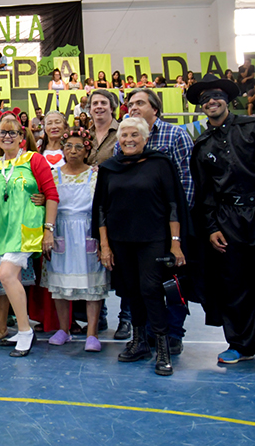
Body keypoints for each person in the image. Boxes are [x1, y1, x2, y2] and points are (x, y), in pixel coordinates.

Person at [94, 117, 188, 376]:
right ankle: (139, 343)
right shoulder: (109, 168)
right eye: (124, 135)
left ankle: (162, 348)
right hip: (120, 241)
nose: (129, 139)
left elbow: (173, 204)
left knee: (151, 289)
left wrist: (176, 244)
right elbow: (100, 208)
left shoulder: (160, 164)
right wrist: (104, 246)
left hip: (153, 240)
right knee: (131, 291)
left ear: (145, 138)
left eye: (135, 134)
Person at [0, 113, 59, 356]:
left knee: (6, 275)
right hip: (3, 232)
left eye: (12, 132)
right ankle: (22, 328)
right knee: (11, 278)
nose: (7, 136)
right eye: (2, 132)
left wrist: (48, 230)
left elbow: (51, 195)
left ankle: (25, 331)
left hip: (27, 229)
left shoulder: (34, 160)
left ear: (21, 137)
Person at [187, 73, 255, 364]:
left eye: (216, 96)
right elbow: (204, 192)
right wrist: (212, 226)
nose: (211, 102)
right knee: (233, 283)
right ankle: (240, 344)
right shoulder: (202, 145)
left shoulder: (250, 128)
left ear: (227, 100)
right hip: (228, 219)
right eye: (205, 99)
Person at [45, 127, 109, 352]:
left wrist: (103, 241)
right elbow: (46, 200)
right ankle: (64, 329)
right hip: (61, 230)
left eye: (78, 147)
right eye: (69, 146)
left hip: (87, 230)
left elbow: (102, 207)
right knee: (60, 284)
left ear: (86, 151)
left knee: (93, 285)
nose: (73, 151)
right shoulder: (53, 174)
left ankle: (92, 333)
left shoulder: (96, 175)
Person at [86, 89, 119, 166]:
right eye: (95, 103)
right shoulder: (86, 135)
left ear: (111, 108)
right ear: (90, 110)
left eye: (103, 103)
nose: (99, 106)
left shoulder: (123, 131)